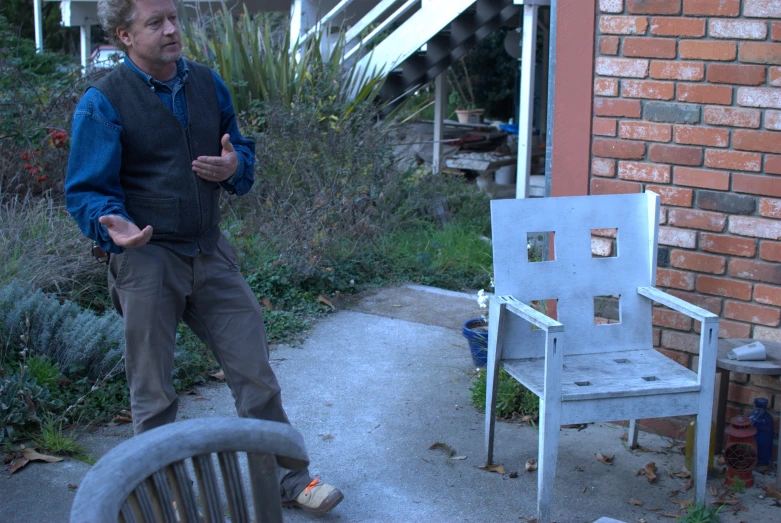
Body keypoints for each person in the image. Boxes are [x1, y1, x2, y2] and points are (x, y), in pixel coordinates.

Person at [64, 0, 343, 514]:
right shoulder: (103, 102)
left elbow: (241, 152)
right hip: (147, 258)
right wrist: (111, 222)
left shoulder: (207, 83)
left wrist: (235, 165)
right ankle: (161, 493)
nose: (172, 30)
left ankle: (291, 478)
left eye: (173, 18)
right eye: (156, 23)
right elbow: (85, 191)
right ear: (125, 35)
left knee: (255, 373)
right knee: (153, 393)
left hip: (209, 250)